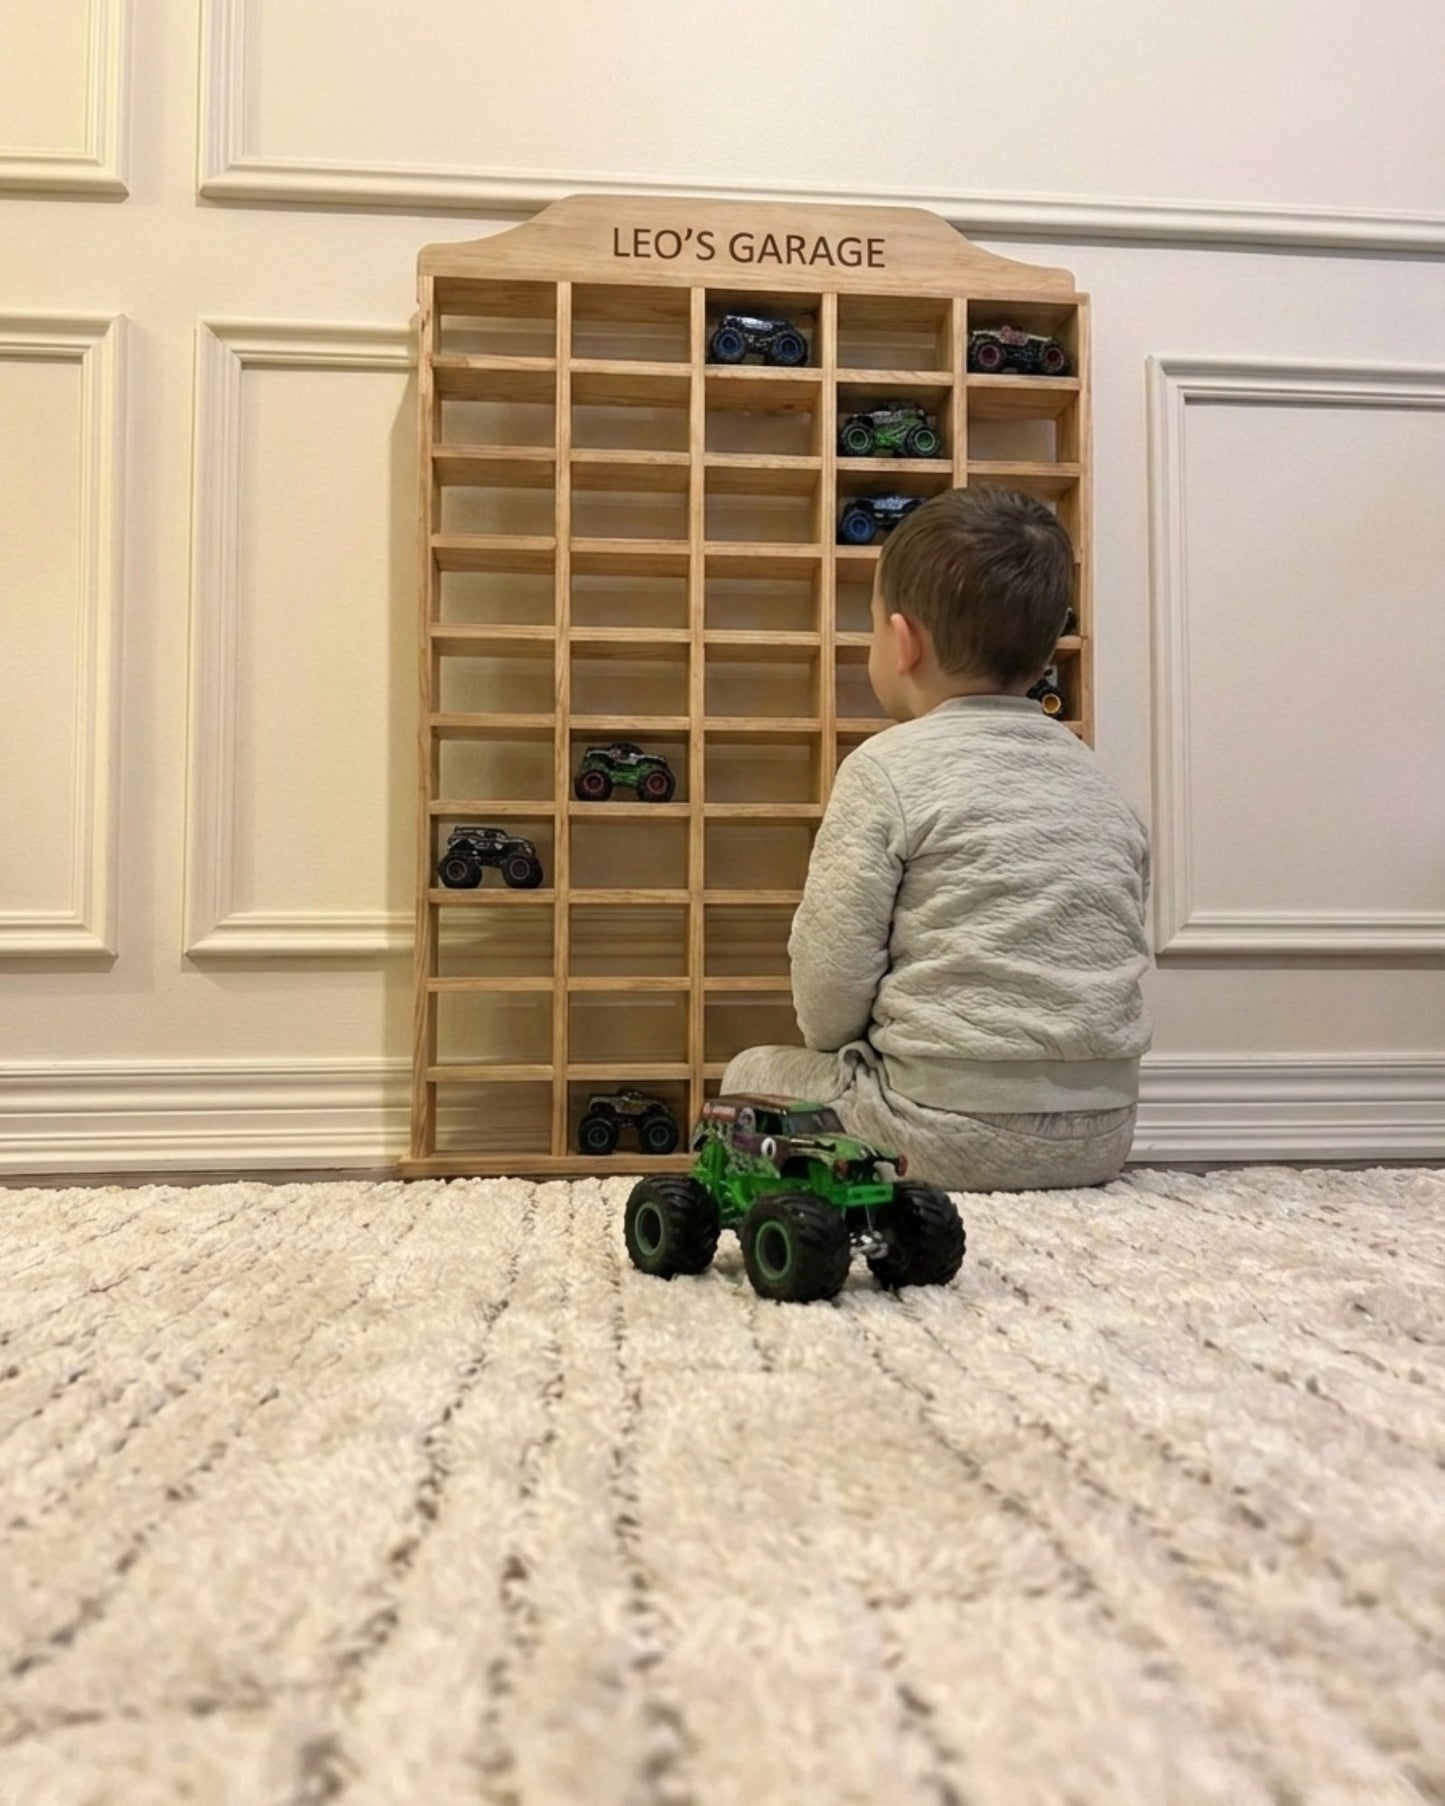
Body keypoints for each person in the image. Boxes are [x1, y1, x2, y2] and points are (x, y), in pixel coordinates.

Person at [720, 486, 1151, 1191]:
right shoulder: (1099, 780)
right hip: (1101, 1130)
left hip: (929, 1128)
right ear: (1045, 649)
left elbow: (828, 990)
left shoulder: (886, 769)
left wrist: (846, 1047)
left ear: (901, 641)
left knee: (750, 1075)